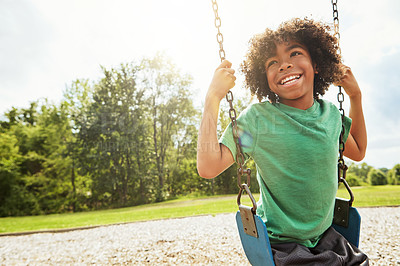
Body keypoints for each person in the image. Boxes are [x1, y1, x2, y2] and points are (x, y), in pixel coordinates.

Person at [197, 18, 368, 265]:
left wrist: (355, 95)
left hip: (326, 238)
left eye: (295, 53)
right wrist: (212, 98)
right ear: (263, 77)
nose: (284, 64)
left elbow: (359, 150)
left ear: (316, 64)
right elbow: (208, 166)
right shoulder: (258, 120)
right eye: (272, 62)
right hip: (282, 246)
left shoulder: (330, 115)